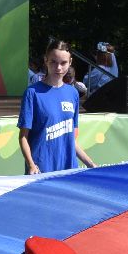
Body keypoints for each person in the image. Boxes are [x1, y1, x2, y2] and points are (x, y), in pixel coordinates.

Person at [18, 38, 97, 173]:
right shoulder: (32, 93)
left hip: (69, 171)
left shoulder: (73, 93)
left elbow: (70, 139)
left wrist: (91, 164)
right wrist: (31, 164)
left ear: (70, 62)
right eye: (53, 62)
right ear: (45, 60)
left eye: (63, 62)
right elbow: (23, 137)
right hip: (41, 171)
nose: (58, 67)